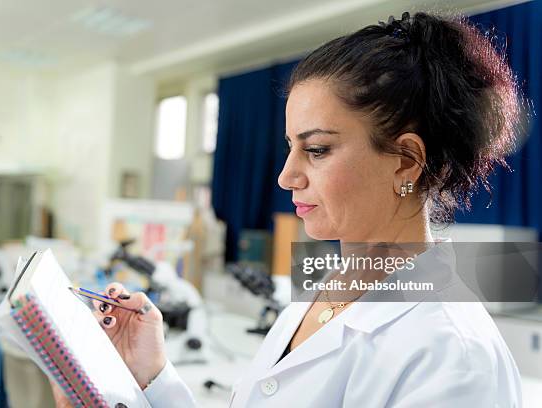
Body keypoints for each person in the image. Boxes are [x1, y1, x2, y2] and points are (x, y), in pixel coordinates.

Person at [53, 11, 523, 407]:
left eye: (316, 150)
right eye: (289, 148)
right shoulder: (323, 288)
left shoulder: (451, 357)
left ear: (406, 161)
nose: (286, 176)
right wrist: (150, 377)